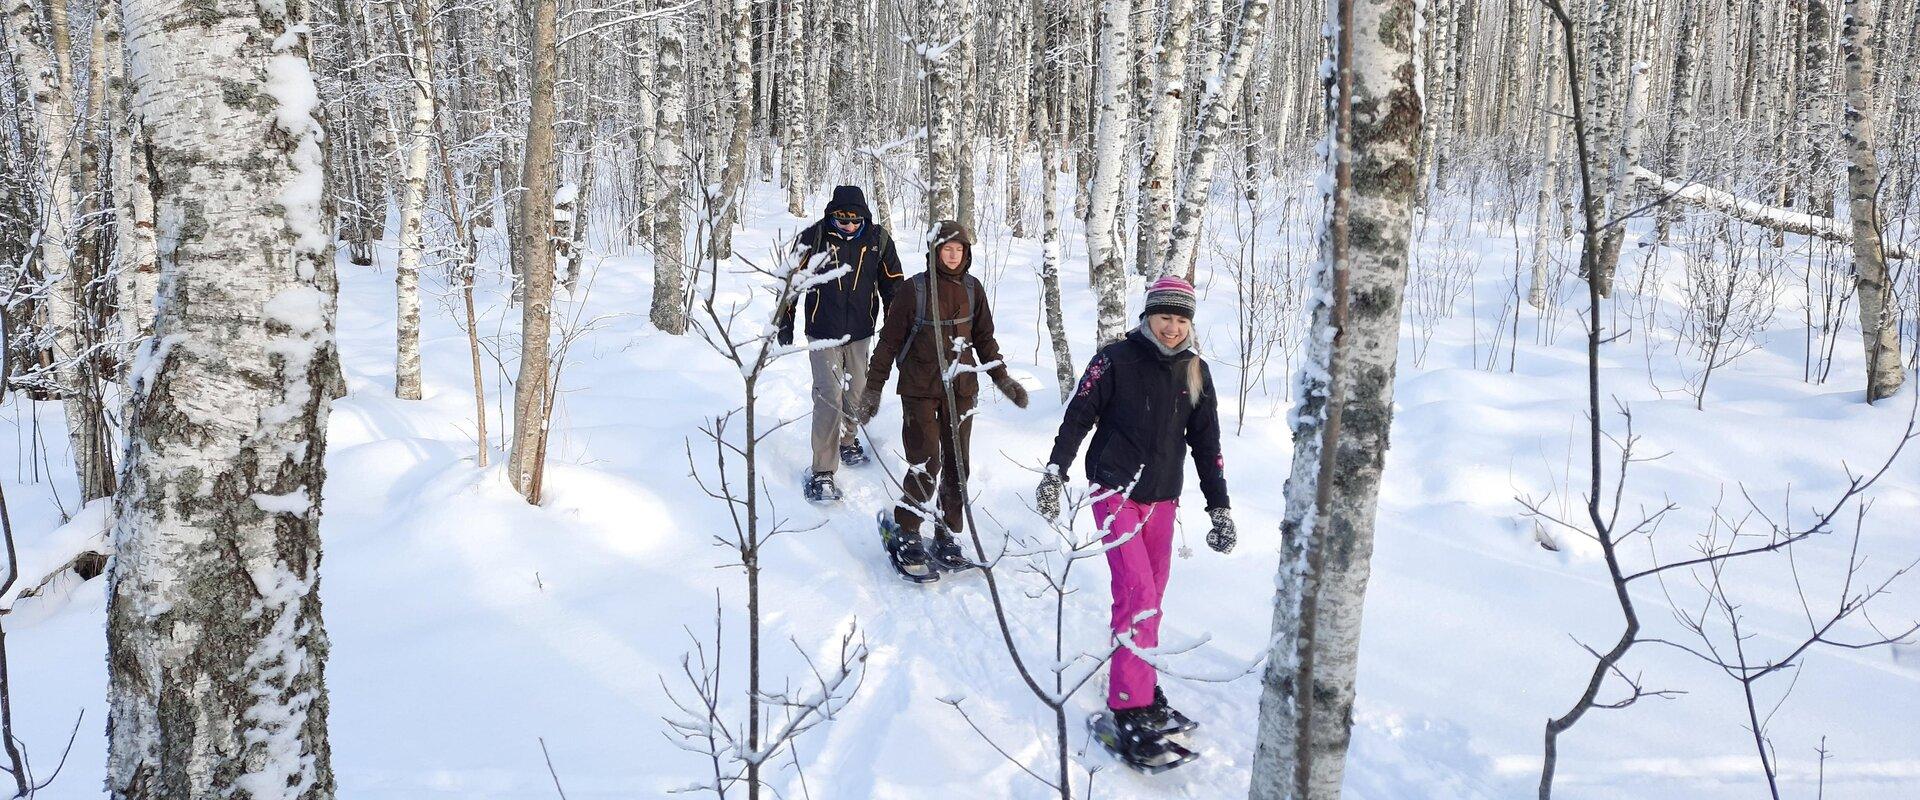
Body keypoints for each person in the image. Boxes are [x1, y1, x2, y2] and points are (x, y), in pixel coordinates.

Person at [1035, 274, 1236, 767]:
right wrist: (1054, 472)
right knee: (1139, 596)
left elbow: (1207, 445)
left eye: (1181, 318)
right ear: (1148, 316)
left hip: (1163, 499)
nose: (1172, 327)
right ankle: (1128, 703)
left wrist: (1220, 507)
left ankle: (1136, 674)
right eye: (1164, 316)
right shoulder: (1114, 360)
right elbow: (1078, 417)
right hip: (1115, 490)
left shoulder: (1195, 370)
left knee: (1148, 597)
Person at [854, 220, 1027, 572]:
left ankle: (948, 531)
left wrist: (1002, 378)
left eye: (958, 249)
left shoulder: (973, 289)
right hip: (919, 388)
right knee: (927, 462)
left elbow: (984, 339)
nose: (952, 255)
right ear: (934, 251)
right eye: (946, 249)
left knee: (957, 464)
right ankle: (907, 528)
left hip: (961, 389)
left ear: (966, 253)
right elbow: (888, 343)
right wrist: (873, 387)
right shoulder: (913, 291)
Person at [777, 185, 904, 502]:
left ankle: (848, 440)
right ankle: (822, 471)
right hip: (823, 331)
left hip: (861, 331)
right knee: (829, 396)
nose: (848, 225)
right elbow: (791, 280)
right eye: (841, 219)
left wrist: (896, 326)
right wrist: (785, 319)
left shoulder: (877, 241)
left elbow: (893, 287)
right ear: (832, 215)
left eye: (854, 220)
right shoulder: (814, 237)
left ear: (864, 217)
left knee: (858, 392)